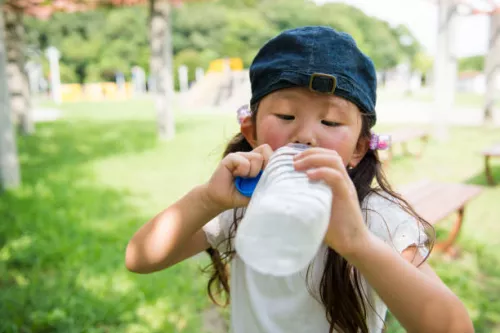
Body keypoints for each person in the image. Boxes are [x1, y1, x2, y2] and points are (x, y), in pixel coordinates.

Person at [125, 26, 473, 333]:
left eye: (332, 123)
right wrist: (208, 200)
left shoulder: (377, 218)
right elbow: (140, 258)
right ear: (252, 130)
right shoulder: (242, 204)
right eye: (286, 115)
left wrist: (357, 243)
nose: (306, 136)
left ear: (358, 148)